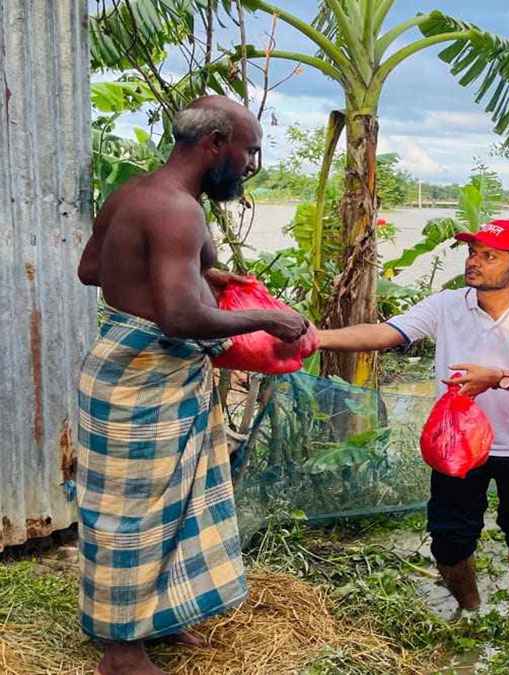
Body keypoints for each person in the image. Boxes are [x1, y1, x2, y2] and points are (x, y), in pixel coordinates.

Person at [75, 96, 310, 675]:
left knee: (177, 501)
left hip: (143, 371)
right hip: (143, 376)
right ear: (214, 145)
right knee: (132, 514)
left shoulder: (133, 192)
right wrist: (269, 319)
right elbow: (181, 318)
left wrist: (202, 273)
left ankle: (161, 616)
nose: (251, 164)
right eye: (249, 151)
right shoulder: (177, 211)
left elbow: (92, 269)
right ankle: (121, 651)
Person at [318, 219, 509, 613]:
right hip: (457, 446)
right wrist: (318, 338)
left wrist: (498, 378)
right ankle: (469, 611)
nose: (474, 261)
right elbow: (386, 333)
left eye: (489, 256)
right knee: (449, 540)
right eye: (472, 253)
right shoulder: (447, 304)